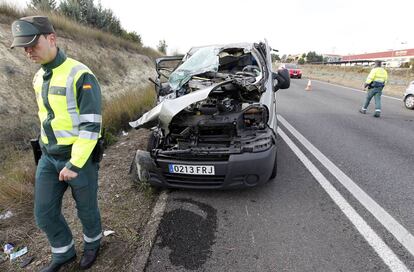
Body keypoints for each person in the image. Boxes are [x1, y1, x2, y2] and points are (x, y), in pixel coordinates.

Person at [11, 16, 102, 271]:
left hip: (79, 158)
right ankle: (63, 253)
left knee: (87, 210)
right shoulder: (38, 78)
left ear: (52, 39)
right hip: (48, 158)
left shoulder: (80, 74)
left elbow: (91, 126)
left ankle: (93, 244)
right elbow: (48, 118)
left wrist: (74, 163)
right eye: (24, 48)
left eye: (32, 45)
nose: (28, 52)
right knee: (44, 214)